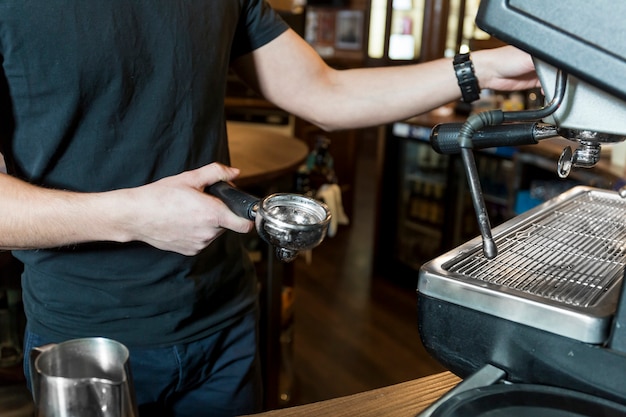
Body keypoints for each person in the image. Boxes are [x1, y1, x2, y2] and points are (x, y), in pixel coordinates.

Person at [0, 2, 539, 416]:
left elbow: (324, 91)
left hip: (226, 321)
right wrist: (132, 217)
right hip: (87, 341)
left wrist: (479, 71)